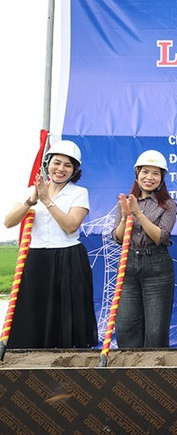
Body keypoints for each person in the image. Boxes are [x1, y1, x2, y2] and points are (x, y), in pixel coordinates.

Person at [3, 140, 97, 348]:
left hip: (68, 257)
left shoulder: (79, 193)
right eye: (57, 162)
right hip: (36, 257)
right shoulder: (32, 191)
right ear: (47, 164)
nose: (61, 169)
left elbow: (71, 225)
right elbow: (9, 222)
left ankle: (65, 358)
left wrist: (47, 201)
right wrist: (31, 200)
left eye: (68, 165)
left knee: (65, 314)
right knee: (33, 308)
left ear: (74, 170)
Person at [111, 150, 177, 348]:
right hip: (128, 263)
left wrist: (138, 214)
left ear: (162, 178)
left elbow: (160, 237)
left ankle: (154, 367)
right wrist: (126, 216)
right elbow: (118, 237)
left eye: (155, 173)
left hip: (157, 264)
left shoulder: (168, 205)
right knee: (125, 326)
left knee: (156, 330)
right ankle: (130, 366)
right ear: (137, 174)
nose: (149, 177)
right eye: (145, 172)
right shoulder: (125, 203)